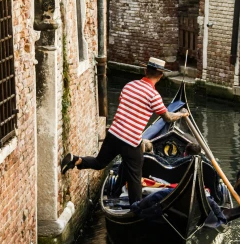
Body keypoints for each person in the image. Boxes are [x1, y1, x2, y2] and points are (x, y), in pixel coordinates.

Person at [61, 57, 188, 204]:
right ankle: (137, 208)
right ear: (160, 75)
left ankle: (75, 160)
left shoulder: (129, 85)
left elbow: (125, 104)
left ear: (145, 70)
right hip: (131, 141)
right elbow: (167, 117)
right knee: (135, 176)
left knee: (99, 162)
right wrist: (181, 114)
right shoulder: (154, 96)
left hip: (114, 134)